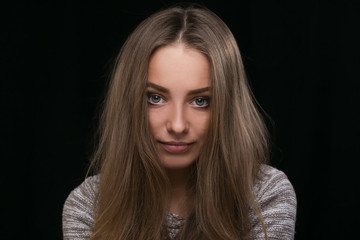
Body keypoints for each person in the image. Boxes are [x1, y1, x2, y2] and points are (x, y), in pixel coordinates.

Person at [62, 4, 296, 240]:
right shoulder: (89, 206)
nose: (177, 125)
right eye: (155, 98)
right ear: (128, 104)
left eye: (201, 101)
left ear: (227, 109)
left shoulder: (266, 194)